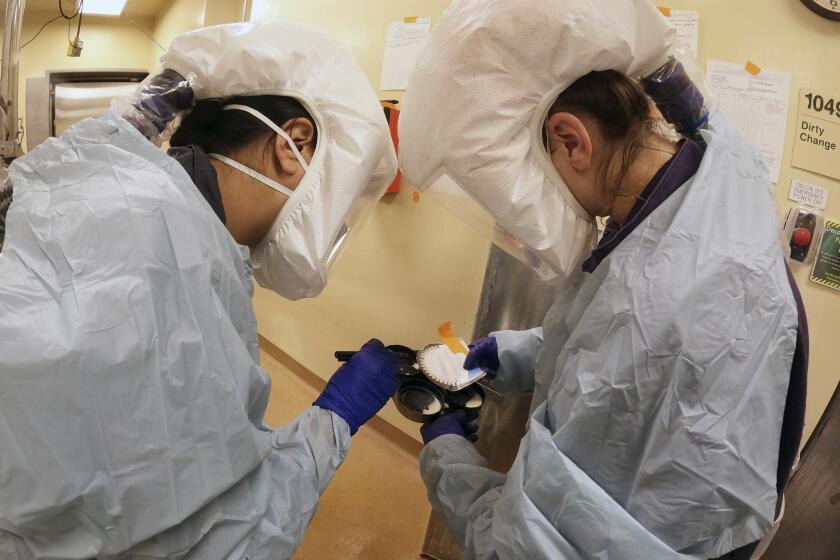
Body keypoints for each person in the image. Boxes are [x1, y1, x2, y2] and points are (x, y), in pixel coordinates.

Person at [398, 1, 807, 559]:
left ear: (570, 141)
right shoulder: (703, 186)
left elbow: (535, 547)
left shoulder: (657, 295)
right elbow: (605, 337)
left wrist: (446, 459)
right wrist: (508, 352)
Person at [0, 23, 398, 559]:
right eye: (339, 194)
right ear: (293, 144)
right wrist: (333, 423)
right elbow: (216, 541)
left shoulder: (144, 206)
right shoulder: (167, 251)